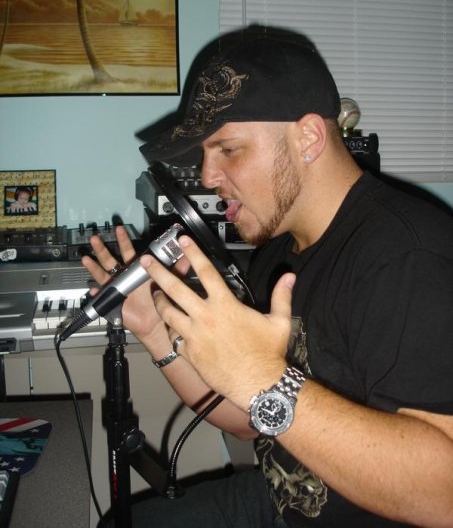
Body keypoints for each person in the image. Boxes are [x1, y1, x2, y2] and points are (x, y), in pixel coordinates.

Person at [83, 26, 453, 527]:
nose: (207, 177)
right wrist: (154, 331)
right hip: (282, 500)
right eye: (204, 155)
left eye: (228, 149)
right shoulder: (276, 254)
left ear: (308, 138)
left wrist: (265, 378)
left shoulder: (410, 257)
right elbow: (248, 420)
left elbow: (444, 494)